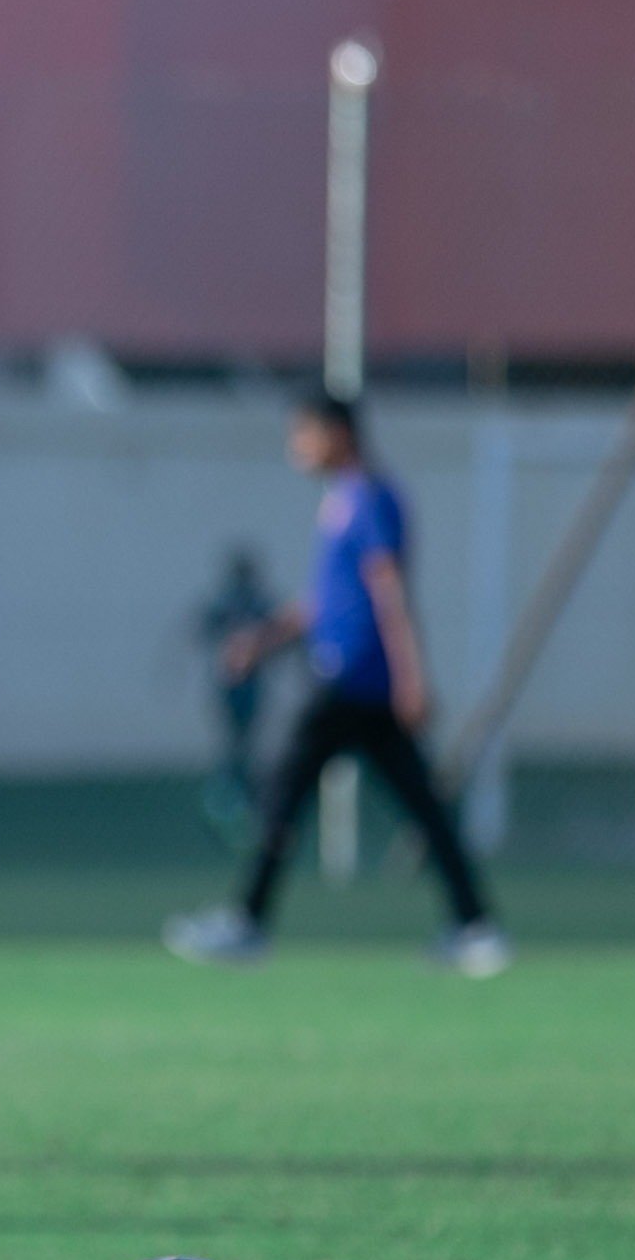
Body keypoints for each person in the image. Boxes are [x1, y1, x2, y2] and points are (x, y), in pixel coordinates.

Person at [163, 391, 509, 977]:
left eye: (305, 434)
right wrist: (263, 639)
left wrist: (412, 677)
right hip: (351, 685)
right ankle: (474, 926)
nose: (297, 446)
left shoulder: (370, 499)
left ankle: (248, 923)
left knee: (284, 796)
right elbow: (323, 603)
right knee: (417, 806)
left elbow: (389, 591)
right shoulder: (341, 502)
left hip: (352, 682)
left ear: (338, 434)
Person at [194, 545, 277, 838]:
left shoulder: (247, 603)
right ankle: (229, 804)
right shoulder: (242, 603)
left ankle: (236, 803)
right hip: (235, 687)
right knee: (238, 748)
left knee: (242, 747)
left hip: (245, 687)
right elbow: (204, 628)